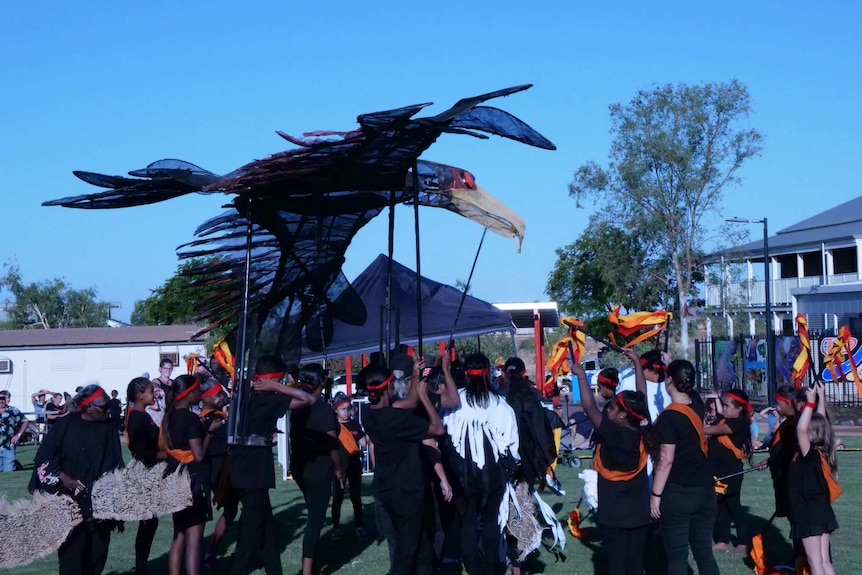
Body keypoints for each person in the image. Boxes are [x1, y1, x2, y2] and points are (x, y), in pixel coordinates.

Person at [231, 356, 316, 575]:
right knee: (250, 534)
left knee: (267, 529)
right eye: (280, 380)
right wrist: (277, 387)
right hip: (254, 472)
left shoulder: (244, 397)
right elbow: (308, 399)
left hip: (241, 469)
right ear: (271, 380)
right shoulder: (267, 399)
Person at [572, 348, 653, 575]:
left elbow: (589, 408)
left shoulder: (614, 435)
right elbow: (641, 394)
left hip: (613, 515)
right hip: (639, 514)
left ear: (621, 416)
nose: (608, 409)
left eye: (614, 407)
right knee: (636, 565)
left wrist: (580, 375)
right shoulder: (642, 430)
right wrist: (637, 361)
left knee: (616, 566)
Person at [29, 385, 124, 575]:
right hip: (68, 503)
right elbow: (43, 460)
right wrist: (62, 476)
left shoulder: (108, 427)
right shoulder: (65, 425)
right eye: (104, 407)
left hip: (99, 505)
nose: (109, 411)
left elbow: (115, 463)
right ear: (88, 407)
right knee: (72, 559)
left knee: (97, 556)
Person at [364, 360, 445, 575]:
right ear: (388, 389)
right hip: (406, 491)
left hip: (387, 489)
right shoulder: (396, 420)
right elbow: (437, 429)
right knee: (407, 551)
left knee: (423, 546)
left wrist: (416, 376)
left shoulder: (369, 414)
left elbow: (408, 401)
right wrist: (425, 398)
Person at [442, 353, 520, 575]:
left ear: (466, 373)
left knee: (467, 523)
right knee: (491, 521)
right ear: (489, 372)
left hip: (462, 473)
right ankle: (491, 569)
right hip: (493, 473)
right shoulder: (500, 404)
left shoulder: (455, 401)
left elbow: (443, 432)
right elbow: (511, 442)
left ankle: (475, 569)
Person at [650, 359, 719, 575]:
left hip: (678, 492)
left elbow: (666, 459)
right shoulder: (696, 405)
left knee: (678, 557)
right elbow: (692, 391)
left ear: (669, 380)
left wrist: (655, 494)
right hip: (705, 490)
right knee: (704, 553)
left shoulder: (669, 417)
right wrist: (672, 364)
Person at [504, 356, 557, 575]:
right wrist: (544, 463)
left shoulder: (500, 397)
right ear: (524, 373)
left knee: (508, 512)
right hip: (525, 465)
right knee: (518, 510)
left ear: (506, 373)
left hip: (505, 464)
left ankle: (514, 560)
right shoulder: (531, 397)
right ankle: (517, 562)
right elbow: (542, 432)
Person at [162, 374, 219, 575]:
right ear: (190, 394)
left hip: (174, 477)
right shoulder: (190, 418)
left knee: (179, 536)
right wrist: (210, 432)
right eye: (198, 390)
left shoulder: (169, 416)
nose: (201, 394)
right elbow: (199, 455)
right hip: (193, 480)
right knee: (194, 540)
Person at [290, 363, 343, 575]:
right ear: (321, 381)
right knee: (315, 520)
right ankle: (308, 569)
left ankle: (315, 562)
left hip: (301, 466)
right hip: (319, 469)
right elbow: (332, 443)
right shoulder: (321, 409)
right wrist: (339, 468)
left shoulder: (299, 406)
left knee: (314, 513)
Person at [788, 382, 839, 575]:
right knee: (825, 561)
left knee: (815, 562)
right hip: (821, 510)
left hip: (808, 512)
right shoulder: (823, 449)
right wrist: (821, 396)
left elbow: (801, 430)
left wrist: (810, 403)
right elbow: (822, 420)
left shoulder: (808, 454)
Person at [703, 388, 753, 554]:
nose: (723, 409)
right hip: (716, 471)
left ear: (739, 408)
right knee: (721, 507)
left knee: (734, 507)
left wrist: (696, 428)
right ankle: (723, 540)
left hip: (730, 472)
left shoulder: (739, 422)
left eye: (726, 406)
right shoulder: (725, 419)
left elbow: (716, 430)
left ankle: (743, 543)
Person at [125, 377, 164, 575]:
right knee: (148, 520)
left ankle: (142, 565)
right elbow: (142, 452)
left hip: (150, 472)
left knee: (150, 520)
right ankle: (141, 566)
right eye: (150, 391)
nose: (154, 394)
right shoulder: (137, 418)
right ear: (141, 395)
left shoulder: (142, 415)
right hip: (146, 473)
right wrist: (165, 454)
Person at [199, 379, 236, 570]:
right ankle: (209, 552)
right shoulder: (210, 418)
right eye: (218, 395)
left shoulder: (213, 415)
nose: (222, 397)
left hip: (221, 469)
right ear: (206, 398)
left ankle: (210, 552)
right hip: (218, 470)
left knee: (231, 510)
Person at [330, 391, 367, 540]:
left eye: (348, 408)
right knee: (337, 498)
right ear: (336, 410)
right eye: (343, 409)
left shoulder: (354, 423)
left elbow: (363, 441)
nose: (346, 412)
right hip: (338, 467)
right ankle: (336, 528)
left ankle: (359, 526)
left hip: (354, 465)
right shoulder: (332, 426)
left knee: (356, 497)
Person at [0, 390, 29, 472]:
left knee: (8, 471)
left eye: (3, 398)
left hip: (8, 446)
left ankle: (15, 465)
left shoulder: (13, 410)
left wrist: (18, 435)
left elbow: (25, 421)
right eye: (0, 398)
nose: (1, 401)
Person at [147, 358, 174, 427]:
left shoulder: (173, 382)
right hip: (160, 415)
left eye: (170, 368)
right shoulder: (156, 381)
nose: (168, 370)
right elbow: (154, 385)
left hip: (172, 412)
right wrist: (157, 389)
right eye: (165, 368)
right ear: (160, 369)